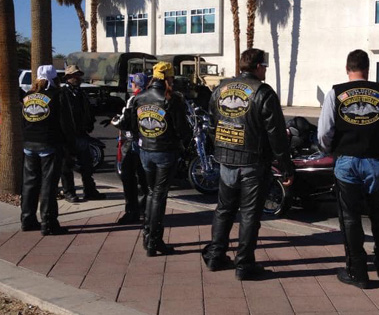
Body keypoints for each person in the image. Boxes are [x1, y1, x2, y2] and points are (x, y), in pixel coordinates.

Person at [202, 48, 294, 281]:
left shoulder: (220, 89)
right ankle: (244, 264)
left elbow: (212, 124)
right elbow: (277, 135)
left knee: (224, 209)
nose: (265, 70)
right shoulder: (263, 93)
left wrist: (221, 147)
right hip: (253, 161)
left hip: (226, 160)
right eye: (264, 66)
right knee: (250, 214)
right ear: (257, 67)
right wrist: (285, 166)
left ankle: (215, 255)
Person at [318, 49, 379, 289]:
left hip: (346, 160)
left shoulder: (335, 92)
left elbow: (324, 131)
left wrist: (330, 149)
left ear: (347, 69)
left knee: (350, 218)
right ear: (368, 68)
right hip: (375, 161)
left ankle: (358, 272)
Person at [131, 62, 191, 256]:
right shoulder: (172, 99)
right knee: (159, 195)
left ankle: (147, 235)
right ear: (169, 78)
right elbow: (182, 129)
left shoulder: (140, 97)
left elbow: (134, 126)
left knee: (150, 192)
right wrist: (184, 144)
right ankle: (154, 241)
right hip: (165, 152)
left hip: (146, 150)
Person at [21, 65, 68, 235]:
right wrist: (68, 143)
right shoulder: (57, 96)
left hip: (29, 144)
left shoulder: (28, 96)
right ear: (54, 79)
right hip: (49, 144)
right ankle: (48, 223)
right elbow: (64, 122)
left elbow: (24, 120)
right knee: (48, 185)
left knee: (29, 183)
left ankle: (27, 219)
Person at [59, 65, 106, 202]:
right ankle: (69, 192)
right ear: (68, 77)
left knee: (87, 165)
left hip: (81, 134)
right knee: (67, 165)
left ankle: (90, 190)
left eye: (78, 75)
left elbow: (87, 110)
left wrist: (89, 123)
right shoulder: (62, 94)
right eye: (75, 75)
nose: (78, 77)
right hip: (68, 136)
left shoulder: (81, 93)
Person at [110, 73, 149, 224]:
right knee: (144, 178)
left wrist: (114, 120)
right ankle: (145, 210)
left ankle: (132, 211)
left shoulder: (134, 99)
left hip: (132, 142)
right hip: (146, 143)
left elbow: (123, 120)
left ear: (135, 84)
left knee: (129, 177)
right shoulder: (151, 97)